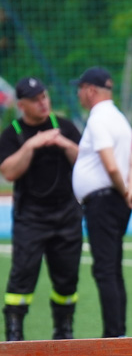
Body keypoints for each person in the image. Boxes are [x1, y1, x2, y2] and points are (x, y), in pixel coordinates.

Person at [0, 77, 81, 341]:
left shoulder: (65, 127)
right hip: (30, 218)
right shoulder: (12, 133)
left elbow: (85, 162)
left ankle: (63, 329)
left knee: (67, 278)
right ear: (22, 105)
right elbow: (9, 172)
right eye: (35, 100)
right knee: (22, 275)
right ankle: (14, 333)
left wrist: (64, 144)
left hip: (67, 215)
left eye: (44, 97)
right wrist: (31, 146)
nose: (42, 103)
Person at [72, 66, 132, 338]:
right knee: (113, 269)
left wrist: (124, 189)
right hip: (116, 201)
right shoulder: (120, 119)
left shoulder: (97, 119)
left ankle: (113, 337)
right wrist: (131, 191)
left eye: (80, 89)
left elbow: (112, 165)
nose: (79, 94)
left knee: (105, 270)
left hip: (103, 201)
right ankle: (118, 333)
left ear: (90, 90)